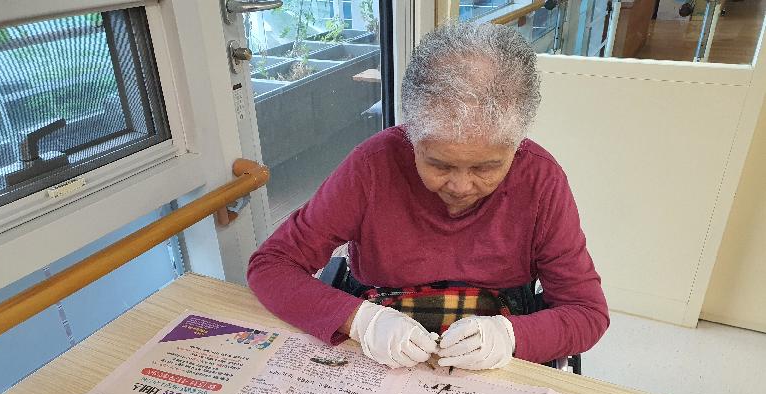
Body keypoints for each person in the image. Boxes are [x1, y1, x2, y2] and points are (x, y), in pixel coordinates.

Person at [248, 22, 609, 370]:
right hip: (383, 335)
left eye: (486, 167)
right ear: (412, 137)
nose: (460, 187)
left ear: (516, 146)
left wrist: (511, 336)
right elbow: (272, 266)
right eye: (439, 164)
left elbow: (587, 312)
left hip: (497, 334)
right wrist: (359, 321)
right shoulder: (372, 167)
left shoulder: (540, 180)